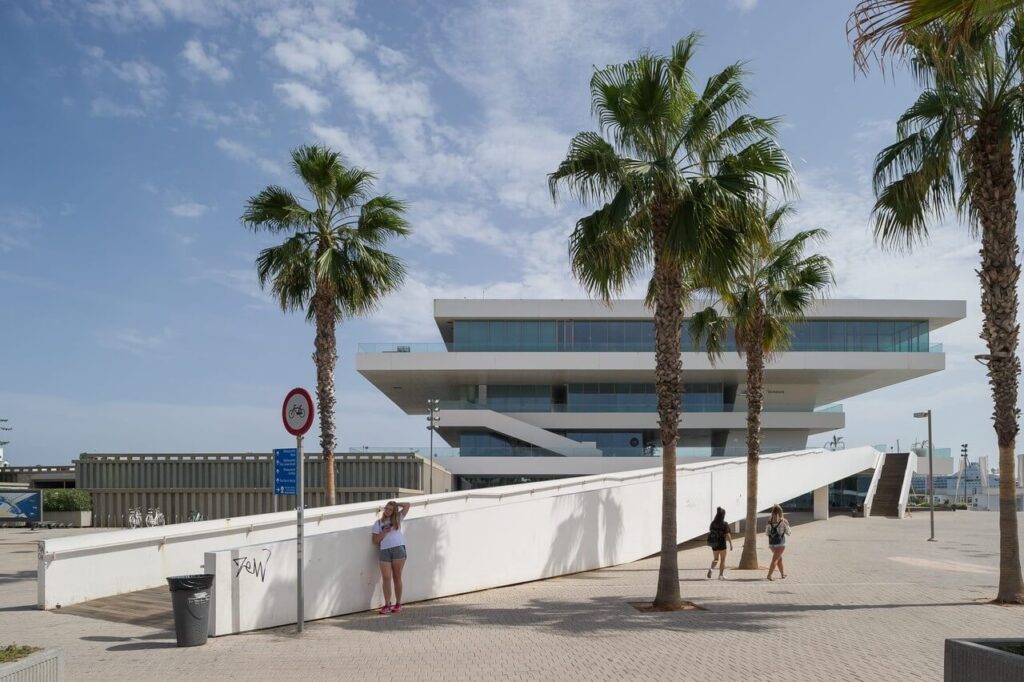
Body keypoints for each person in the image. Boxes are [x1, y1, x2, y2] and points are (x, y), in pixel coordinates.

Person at [372, 499, 410, 614]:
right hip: (384, 551)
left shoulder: (398, 518)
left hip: (398, 548)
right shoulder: (378, 523)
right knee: (386, 578)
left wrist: (396, 504)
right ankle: (387, 605)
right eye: (386, 508)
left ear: (394, 511)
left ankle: (398, 604)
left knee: (397, 577)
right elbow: (374, 540)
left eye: (390, 509)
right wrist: (384, 532)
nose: (387, 511)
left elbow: (407, 505)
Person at [706, 507, 733, 580]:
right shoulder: (724, 524)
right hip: (722, 543)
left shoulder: (713, 523)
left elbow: (711, 531)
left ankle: (711, 569)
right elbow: (727, 534)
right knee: (723, 560)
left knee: (715, 559)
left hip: (714, 543)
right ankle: (720, 575)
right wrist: (731, 544)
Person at [766, 504, 791, 581]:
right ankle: (769, 575)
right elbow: (788, 533)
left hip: (771, 543)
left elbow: (767, 533)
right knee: (775, 559)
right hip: (780, 543)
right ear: (781, 512)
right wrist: (788, 525)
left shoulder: (769, 521)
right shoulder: (783, 521)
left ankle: (782, 574)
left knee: (779, 558)